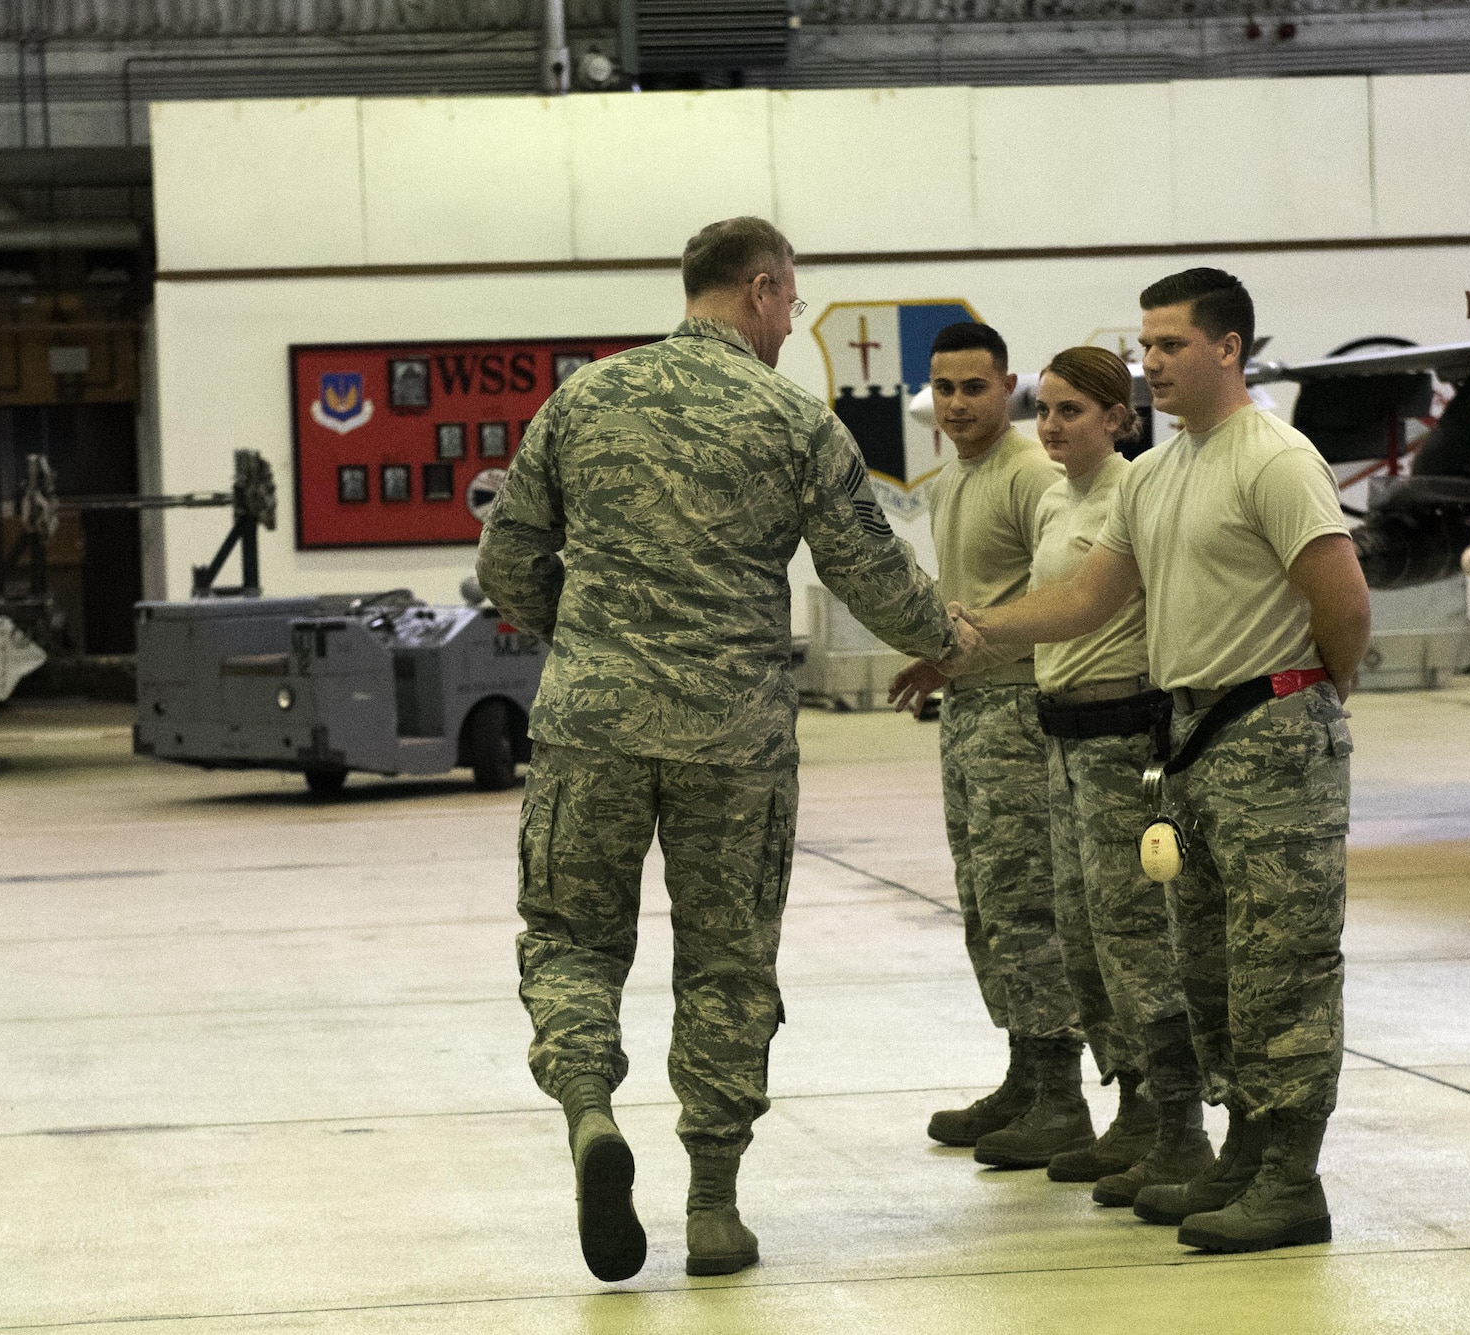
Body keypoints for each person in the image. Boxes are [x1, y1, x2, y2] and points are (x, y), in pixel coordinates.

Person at [476, 216, 967, 1282]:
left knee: (569, 938)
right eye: (790, 302)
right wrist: (954, 641)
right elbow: (871, 575)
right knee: (728, 965)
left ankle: (590, 1114)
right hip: (731, 736)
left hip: (589, 727)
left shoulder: (584, 398)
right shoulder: (793, 418)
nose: (791, 322)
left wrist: (591, 642)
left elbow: (506, 558)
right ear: (756, 290)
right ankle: (712, 1205)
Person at [952, 269, 1370, 1254]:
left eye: (1170, 345)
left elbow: (1342, 603)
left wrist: (1307, 702)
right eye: (1144, 346)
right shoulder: (1165, 470)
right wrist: (970, 630)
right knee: (1211, 967)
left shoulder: (1270, 457)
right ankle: (1241, 1154)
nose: (1151, 364)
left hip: (1268, 731)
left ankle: (1291, 1179)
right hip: (1188, 741)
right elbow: (1088, 599)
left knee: (1283, 968)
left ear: (1227, 348)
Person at [887, 321, 1103, 1170]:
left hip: (1019, 717)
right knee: (984, 902)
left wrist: (967, 650)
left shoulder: (1030, 477)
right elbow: (981, 600)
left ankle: (1062, 1095)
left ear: (1006, 387)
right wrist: (943, 657)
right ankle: (1024, 1071)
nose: (957, 404)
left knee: (1027, 905)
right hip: (971, 713)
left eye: (975, 388)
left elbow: (1058, 605)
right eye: (943, 389)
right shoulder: (950, 480)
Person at [1021, 346, 1217, 1203]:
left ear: (1119, 419)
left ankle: (1183, 1125)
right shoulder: (1057, 500)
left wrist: (965, 628)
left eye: (1072, 409)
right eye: (1047, 408)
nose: (1053, 424)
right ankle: (1135, 1105)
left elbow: (1083, 608)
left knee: (1139, 935)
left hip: (1119, 742)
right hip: (1064, 739)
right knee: (1086, 935)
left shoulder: (1128, 493)